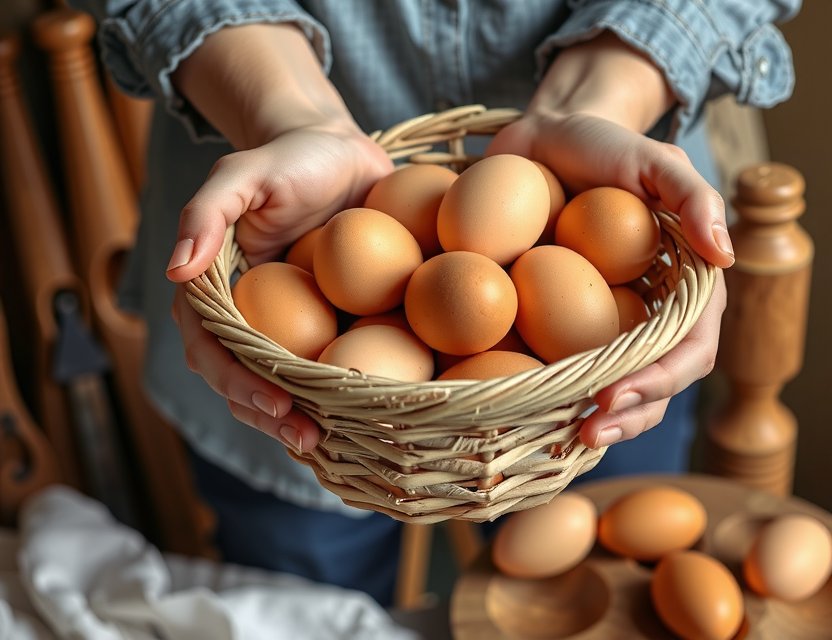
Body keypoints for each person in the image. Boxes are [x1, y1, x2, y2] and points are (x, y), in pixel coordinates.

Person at [73, 0, 799, 606]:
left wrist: (606, 94)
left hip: (606, 276)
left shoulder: (559, 266)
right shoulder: (373, 269)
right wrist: (284, 112)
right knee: (306, 607)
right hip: (282, 263)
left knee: (593, 588)